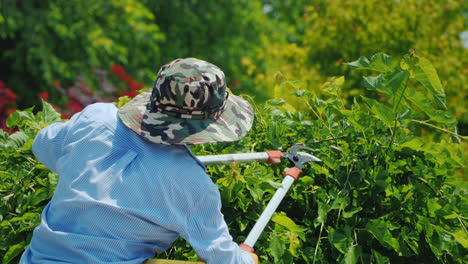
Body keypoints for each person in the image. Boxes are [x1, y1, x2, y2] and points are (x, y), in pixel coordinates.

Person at [20, 58, 259, 264]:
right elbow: (223, 258)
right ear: (207, 126)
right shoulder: (192, 184)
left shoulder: (96, 118)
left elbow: (42, 146)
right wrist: (247, 257)